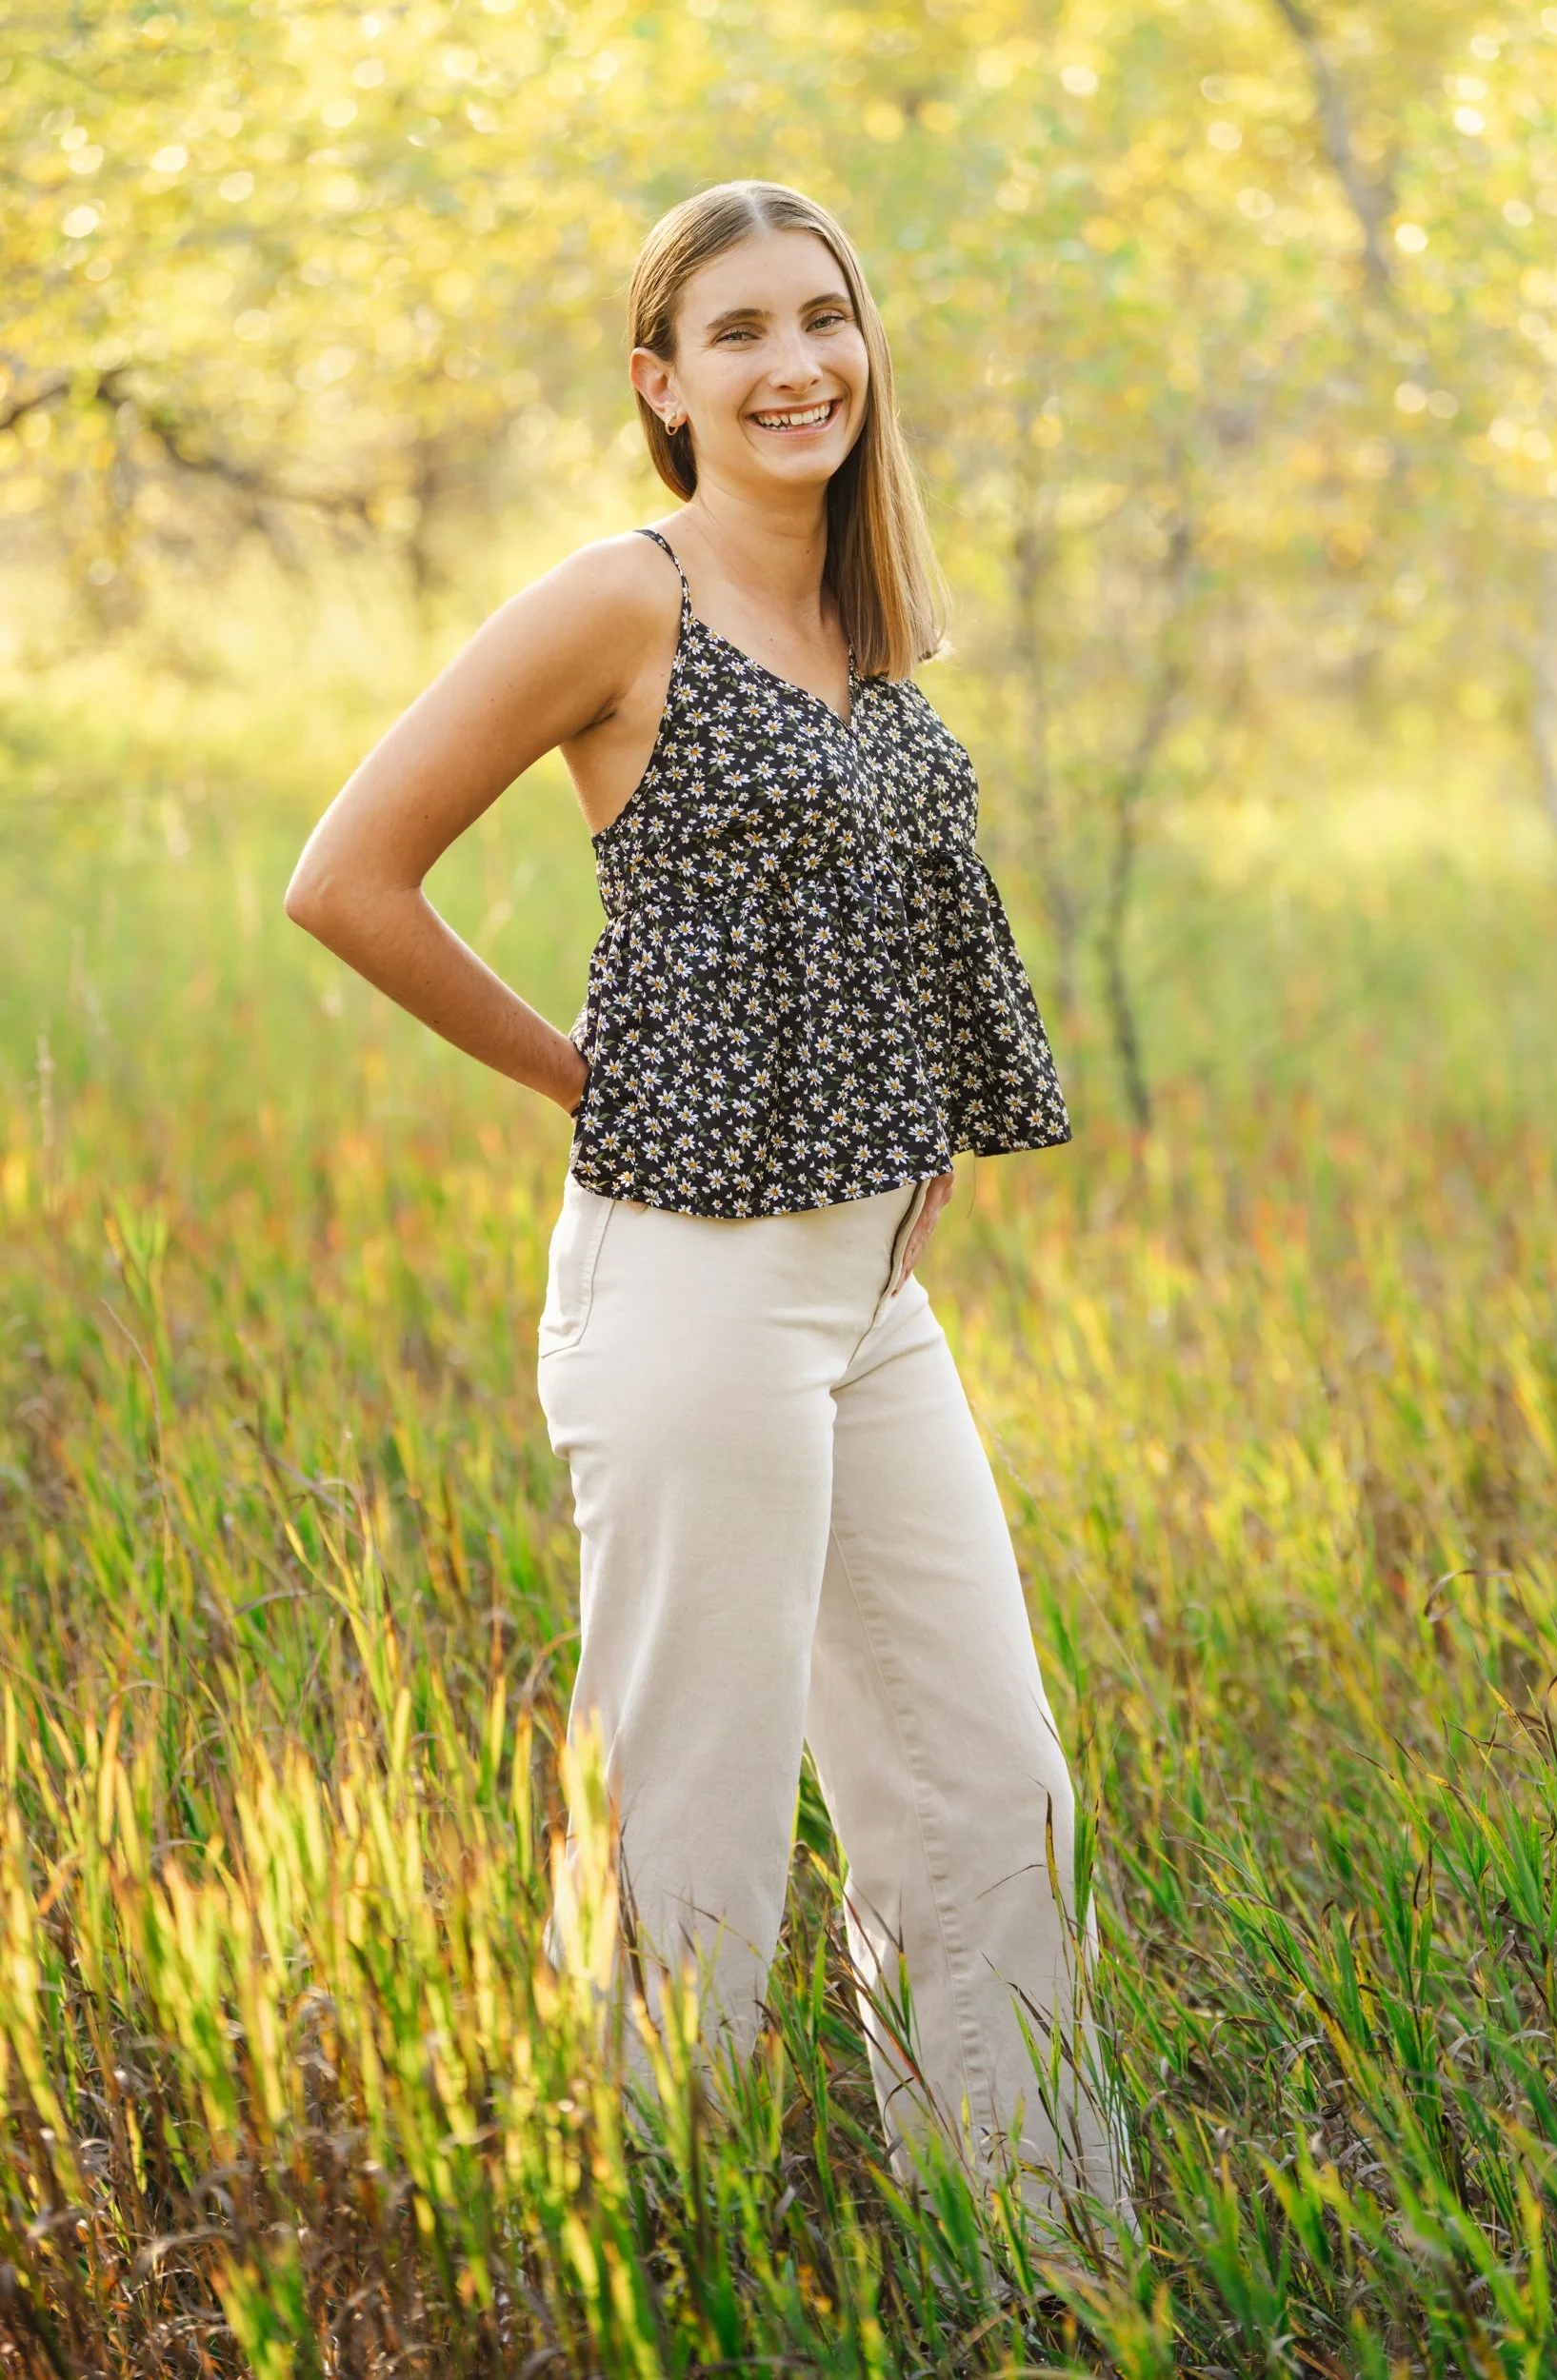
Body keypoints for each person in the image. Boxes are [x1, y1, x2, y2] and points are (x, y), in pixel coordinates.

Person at [284, 178, 1136, 2253]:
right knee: (691, 1835)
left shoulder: (862, 615)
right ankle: (632, 2264)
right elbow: (347, 878)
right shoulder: (616, 600)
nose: (796, 365)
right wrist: (594, 1073)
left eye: (822, 318)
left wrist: (913, 1109)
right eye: (738, 333)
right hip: (681, 1289)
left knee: (985, 1793)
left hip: (862, 1297)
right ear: (660, 385)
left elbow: (885, 912)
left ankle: (1038, 2255)